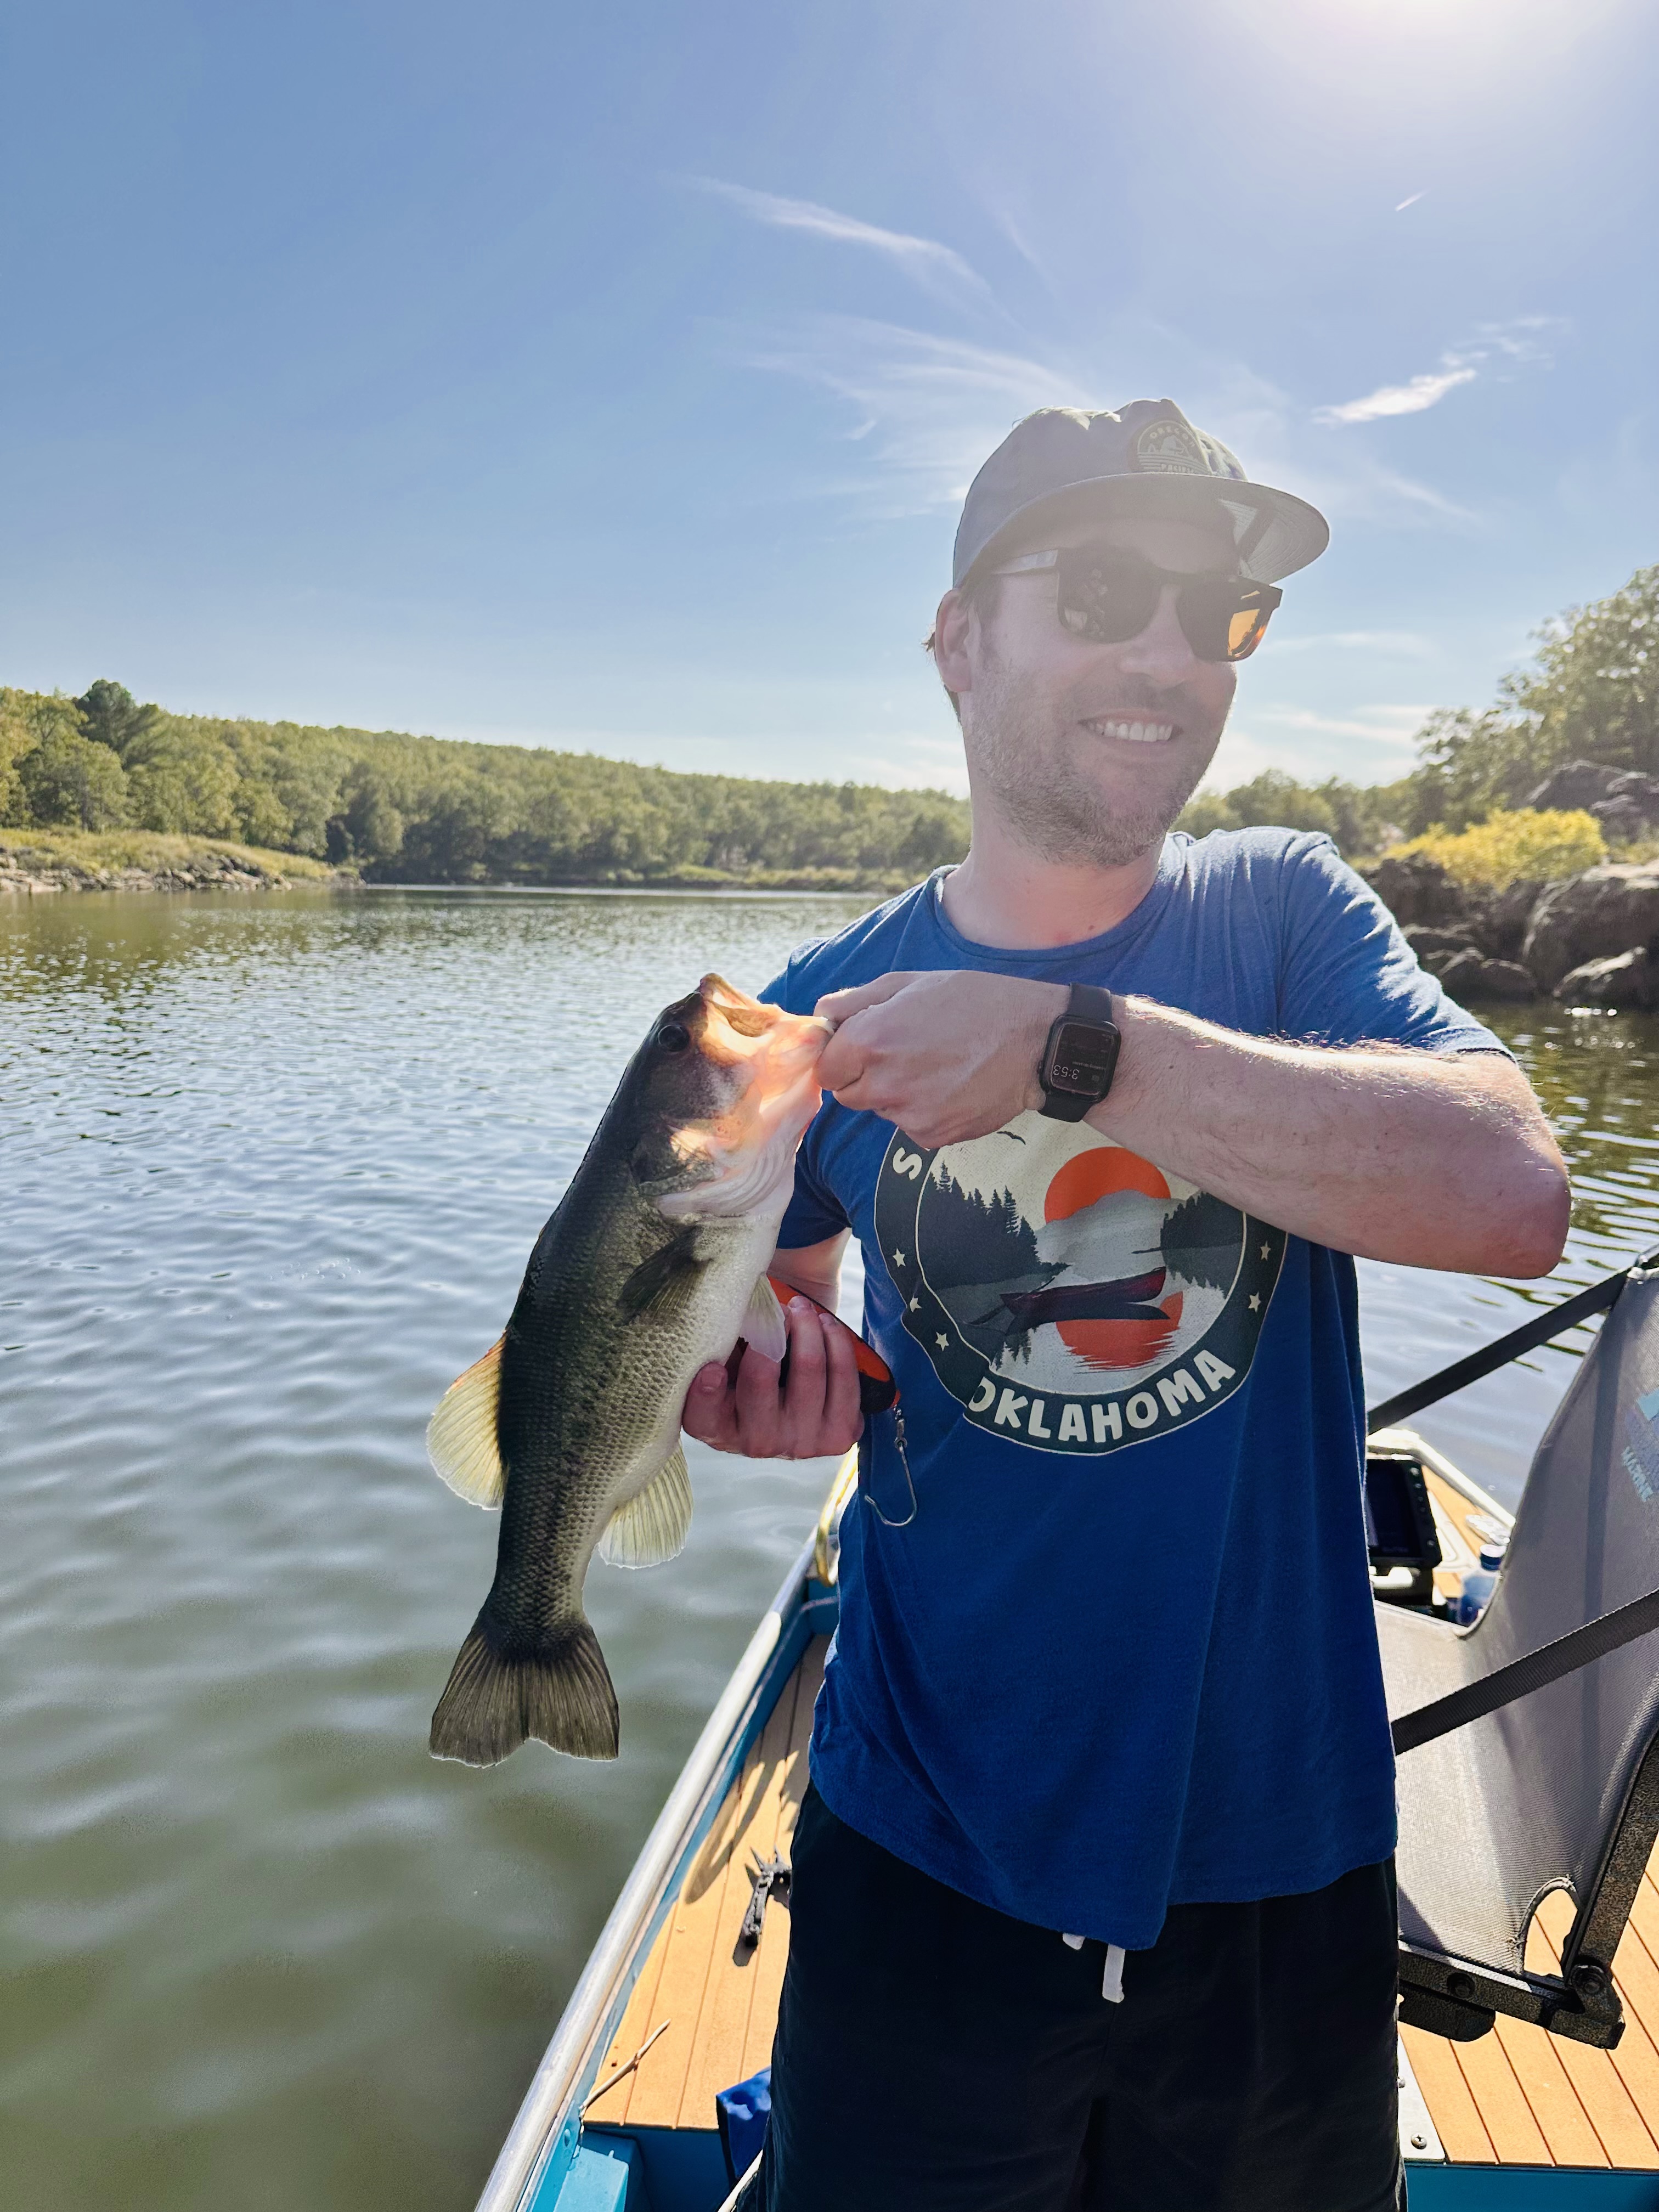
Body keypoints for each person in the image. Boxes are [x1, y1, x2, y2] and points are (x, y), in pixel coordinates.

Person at [682, 401, 1571, 2212]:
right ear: (959, 642)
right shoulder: (821, 1008)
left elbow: (1513, 1195)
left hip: (1278, 1870)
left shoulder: (1285, 913)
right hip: (923, 1853)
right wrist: (764, 1374)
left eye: (1218, 614)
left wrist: (1076, 1050)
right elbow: (764, 1296)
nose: (1168, 654)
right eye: (1101, 592)